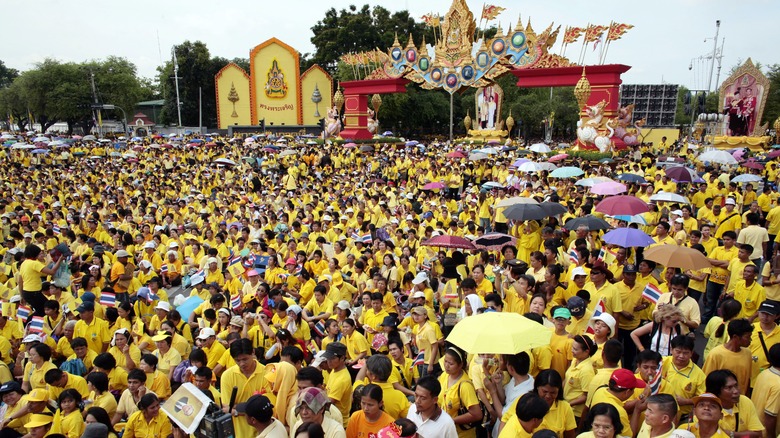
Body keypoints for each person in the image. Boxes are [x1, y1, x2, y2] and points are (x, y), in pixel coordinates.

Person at [220, 339, 267, 438]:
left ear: (253, 352)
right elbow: (226, 407)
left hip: (262, 433)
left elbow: (267, 406)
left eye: (245, 359)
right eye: (237, 360)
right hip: (238, 433)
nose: (242, 364)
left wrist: (236, 410)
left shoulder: (267, 373)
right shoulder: (227, 376)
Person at [438, 345, 483, 438]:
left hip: (461, 434)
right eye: (445, 361)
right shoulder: (445, 376)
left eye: (450, 364)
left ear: (460, 365)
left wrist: (451, 421)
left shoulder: (465, 386)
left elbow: (477, 414)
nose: (446, 366)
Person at [586, 368, 647, 436]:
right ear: (627, 392)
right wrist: (637, 410)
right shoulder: (619, 412)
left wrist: (639, 398)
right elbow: (629, 437)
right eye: (633, 389)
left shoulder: (600, 390)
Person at [704, 370, 763, 438]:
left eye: (736, 385)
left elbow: (757, 434)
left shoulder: (745, 401)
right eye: (729, 388)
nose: (736, 391)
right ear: (716, 391)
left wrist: (730, 434)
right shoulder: (705, 410)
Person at [702, 319, 754, 395]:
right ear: (735, 337)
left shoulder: (748, 353)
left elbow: (747, 380)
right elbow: (707, 381)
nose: (750, 340)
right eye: (747, 337)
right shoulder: (716, 354)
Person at [564, 335, 597, 421]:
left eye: (575, 349)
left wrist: (568, 404)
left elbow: (586, 396)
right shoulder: (575, 360)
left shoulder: (587, 371)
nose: (572, 350)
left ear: (586, 352)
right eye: (572, 347)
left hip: (576, 412)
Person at [751, 344, 780, 437]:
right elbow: (770, 416)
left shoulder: (764, 373)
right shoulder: (778, 384)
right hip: (765, 434)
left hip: (754, 428)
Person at [321, 342, 352, 428]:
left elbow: (327, 403)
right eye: (327, 358)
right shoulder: (334, 370)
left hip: (339, 423)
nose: (329, 361)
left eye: (333, 358)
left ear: (342, 358)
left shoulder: (342, 379)